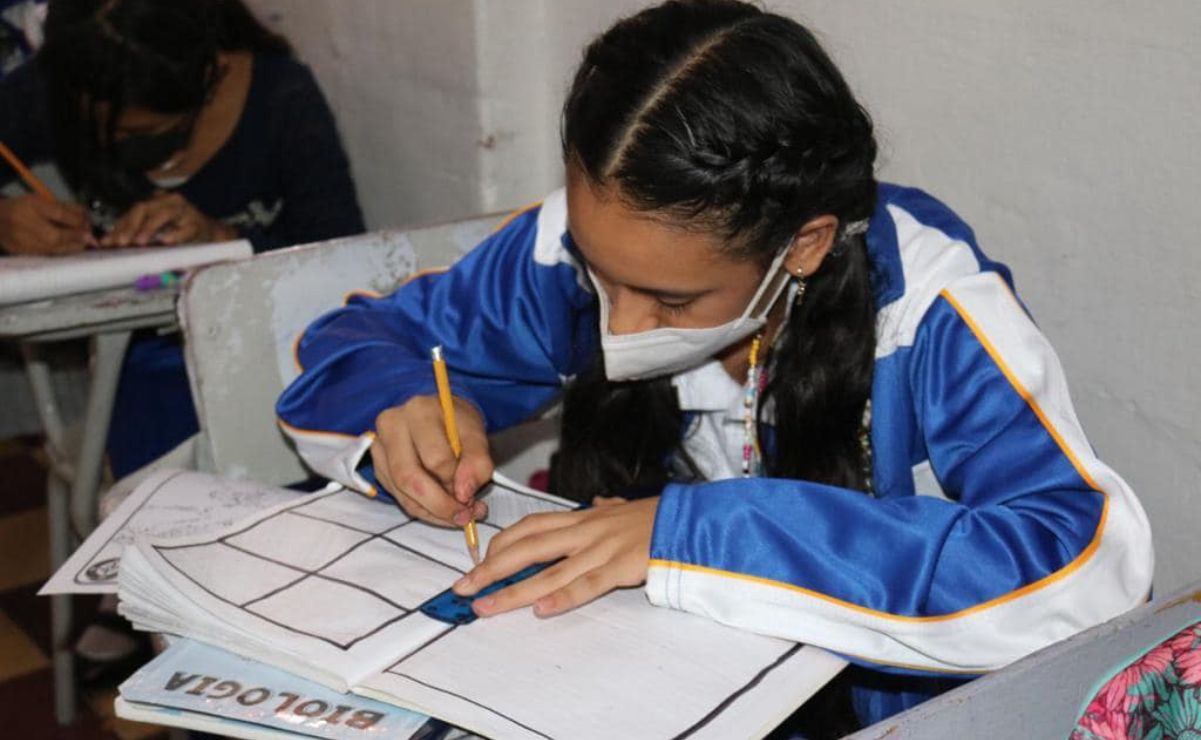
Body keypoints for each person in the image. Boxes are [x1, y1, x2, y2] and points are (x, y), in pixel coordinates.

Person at [276, 0, 1152, 731]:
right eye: (599, 275)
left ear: (802, 246)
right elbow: (357, 343)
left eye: (668, 301)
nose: (616, 325)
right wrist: (406, 405)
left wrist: (691, 535)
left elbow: (1085, 570)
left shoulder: (929, 308)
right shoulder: (575, 249)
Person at [0, 0, 365, 475]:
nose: (119, 143)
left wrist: (224, 239)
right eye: (101, 124)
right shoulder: (62, 81)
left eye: (146, 130)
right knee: (161, 484)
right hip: (136, 363)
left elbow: (342, 258)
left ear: (207, 72)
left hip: (267, 355)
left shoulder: (279, 97)